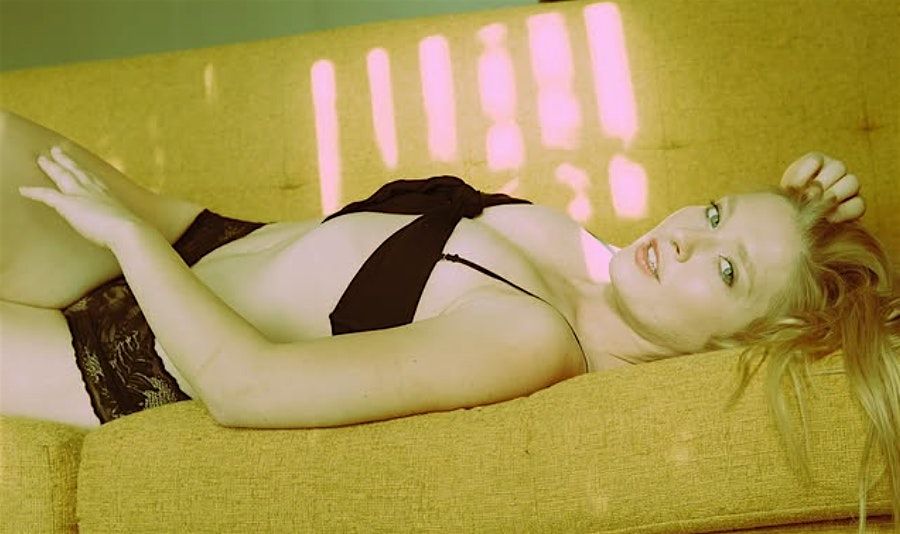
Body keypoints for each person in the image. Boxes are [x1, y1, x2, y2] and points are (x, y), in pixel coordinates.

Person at [0, 109, 897, 530]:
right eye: (712, 211)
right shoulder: (588, 256)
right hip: (187, 235)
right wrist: (797, 211)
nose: (687, 238)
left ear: (737, 346)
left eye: (727, 270)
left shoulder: (531, 340)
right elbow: (764, 267)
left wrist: (125, 239)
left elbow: (246, 387)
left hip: (125, 359)